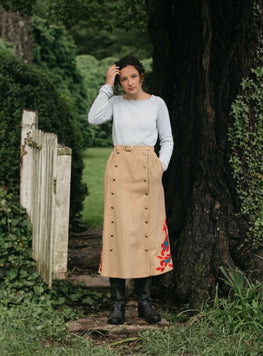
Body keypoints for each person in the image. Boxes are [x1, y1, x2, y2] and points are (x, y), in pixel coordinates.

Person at [88, 56, 174, 325]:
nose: (128, 83)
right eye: (122, 79)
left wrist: (159, 167)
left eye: (132, 77)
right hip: (120, 170)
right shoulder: (115, 103)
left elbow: (167, 139)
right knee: (119, 234)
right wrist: (106, 86)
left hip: (148, 169)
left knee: (146, 235)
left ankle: (145, 304)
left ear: (142, 76)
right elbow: (93, 119)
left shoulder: (156, 103)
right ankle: (117, 305)